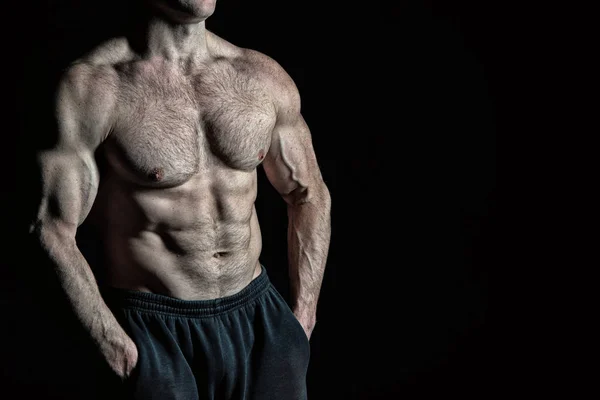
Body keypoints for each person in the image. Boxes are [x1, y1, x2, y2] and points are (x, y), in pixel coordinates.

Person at [28, 0, 331, 398]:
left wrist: (301, 319)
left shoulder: (262, 78)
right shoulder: (94, 88)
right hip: (156, 332)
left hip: (261, 321)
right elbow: (51, 229)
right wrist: (119, 351)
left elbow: (308, 193)